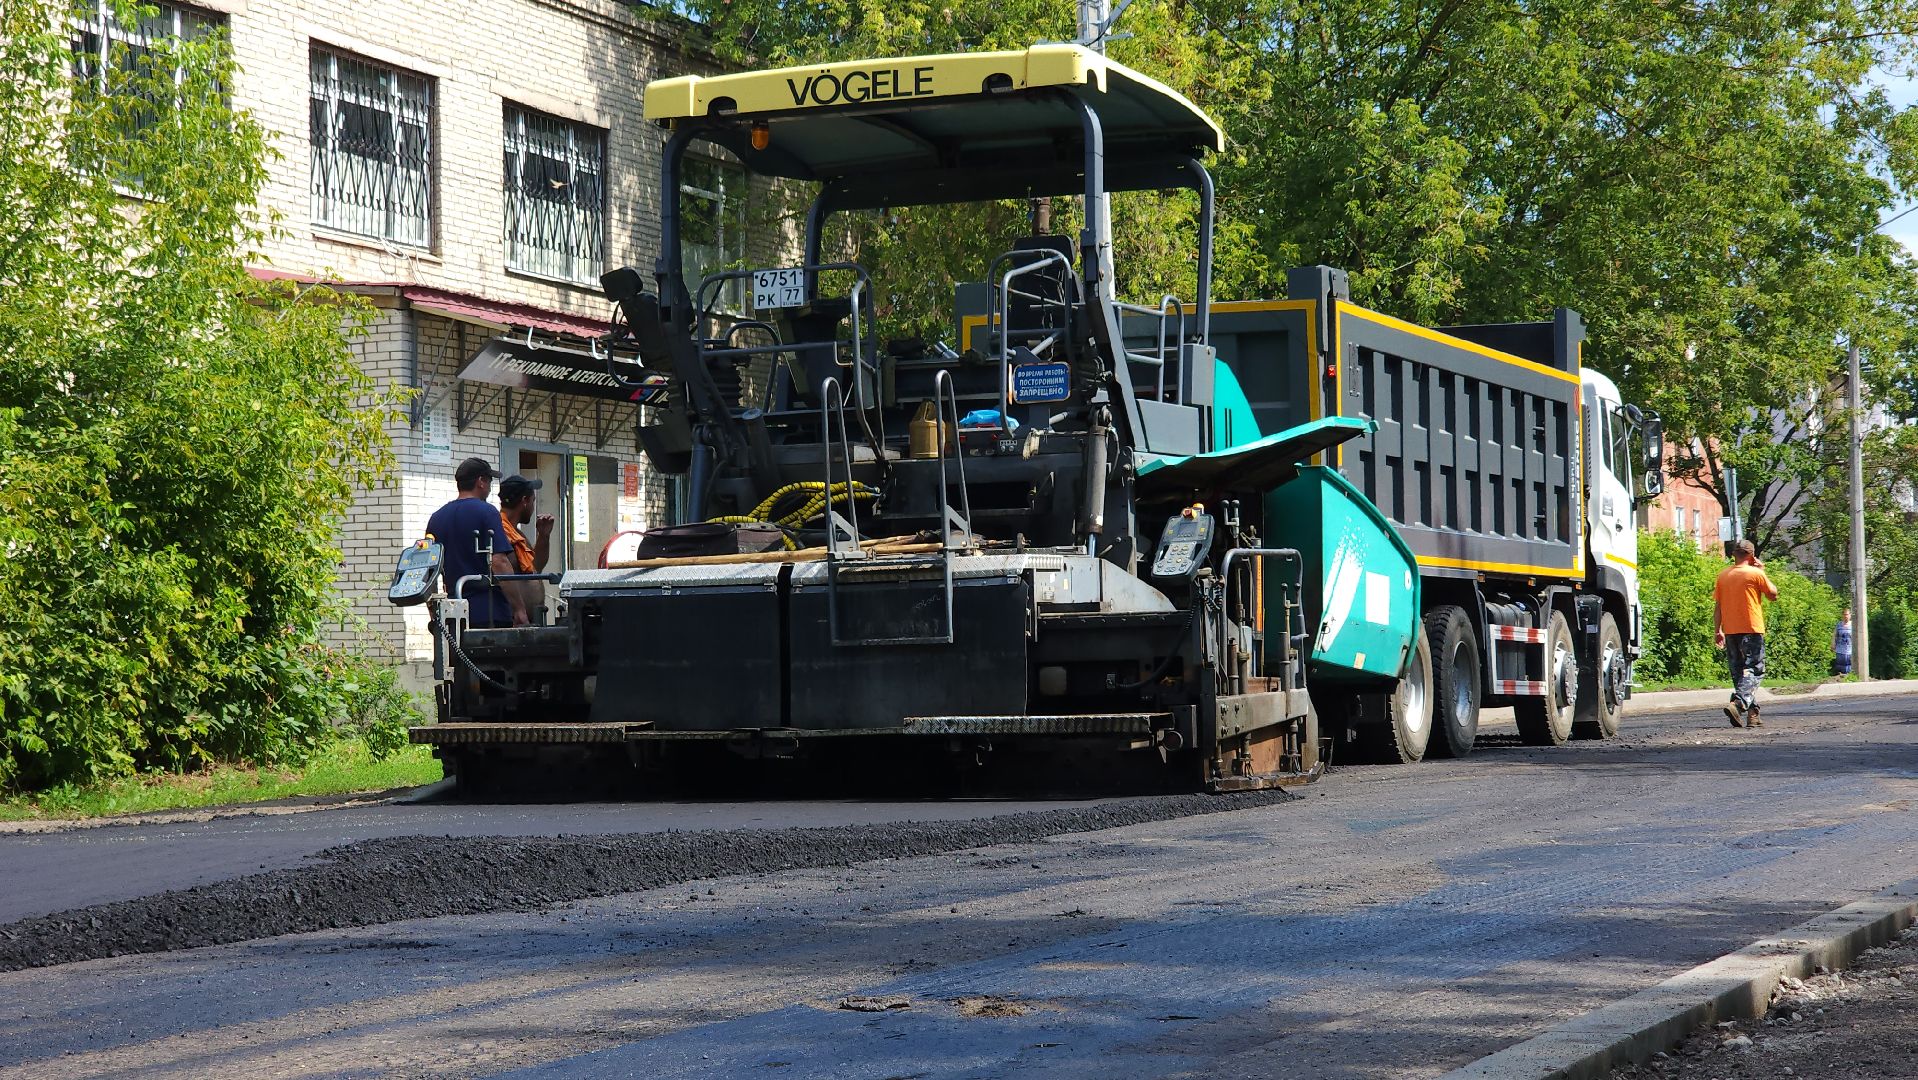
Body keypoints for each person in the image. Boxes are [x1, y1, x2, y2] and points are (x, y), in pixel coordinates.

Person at [423, 457, 527, 628]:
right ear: (481, 482)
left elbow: (429, 571)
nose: (489, 488)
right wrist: (519, 609)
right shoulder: (487, 512)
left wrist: (434, 611)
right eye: (489, 481)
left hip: (453, 612)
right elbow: (499, 562)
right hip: (489, 612)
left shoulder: (436, 518)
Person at [1713, 539, 1779, 728]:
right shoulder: (1756, 573)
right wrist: (1763, 570)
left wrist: (1717, 630)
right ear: (1751, 556)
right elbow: (1773, 595)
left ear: (1734, 554)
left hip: (1731, 630)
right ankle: (1739, 703)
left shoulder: (1723, 575)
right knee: (1754, 669)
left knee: (1740, 673)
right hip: (1752, 628)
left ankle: (1753, 714)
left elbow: (1717, 607)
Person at [498, 474, 555, 622]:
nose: (533, 506)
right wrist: (518, 610)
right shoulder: (499, 532)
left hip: (532, 620)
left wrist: (544, 536)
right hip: (513, 621)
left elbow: (536, 567)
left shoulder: (517, 534)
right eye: (533, 501)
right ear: (525, 501)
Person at [1833, 608, 1855, 677]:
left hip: (1850, 648)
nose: (1846, 616)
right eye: (1844, 614)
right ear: (1842, 615)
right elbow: (1835, 634)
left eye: (1847, 614)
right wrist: (1833, 643)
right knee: (1840, 663)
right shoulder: (1839, 624)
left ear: (1850, 615)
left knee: (1849, 662)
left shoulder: (1853, 624)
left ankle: (1849, 675)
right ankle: (1840, 676)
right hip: (1840, 648)